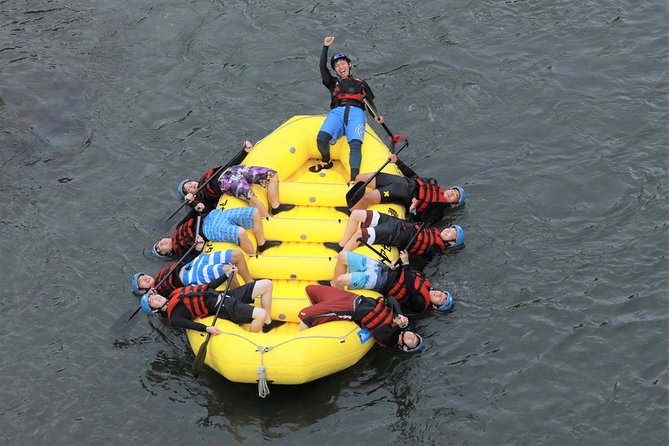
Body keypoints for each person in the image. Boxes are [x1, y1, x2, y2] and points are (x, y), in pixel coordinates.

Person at [311, 36, 384, 182]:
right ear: (335, 70)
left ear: (349, 65)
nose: (340, 67)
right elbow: (322, 67)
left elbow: (369, 102)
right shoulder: (332, 82)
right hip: (338, 112)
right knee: (321, 139)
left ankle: (354, 179)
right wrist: (325, 47)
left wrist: (376, 116)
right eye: (337, 66)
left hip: (356, 113)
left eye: (343, 64)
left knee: (355, 145)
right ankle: (326, 161)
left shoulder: (361, 83)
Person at [180, 140, 294, 218]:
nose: (190, 185)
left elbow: (227, 166)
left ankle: (276, 206)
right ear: (190, 194)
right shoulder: (201, 196)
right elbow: (205, 209)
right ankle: (268, 219)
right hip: (226, 182)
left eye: (189, 183)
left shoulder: (205, 178)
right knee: (251, 196)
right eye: (188, 188)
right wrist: (192, 201)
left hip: (235, 170)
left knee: (272, 174)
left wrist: (245, 152)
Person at [139, 273, 284, 333]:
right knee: (261, 313)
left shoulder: (175, 293)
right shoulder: (175, 317)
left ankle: (268, 323)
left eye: (152, 296)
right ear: (155, 311)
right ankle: (252, 342)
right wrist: (207, 329)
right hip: (225, 308)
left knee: (266, 284)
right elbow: (191, 325)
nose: (154, 298)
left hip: (227, 295)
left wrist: (225, 275)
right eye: (152, 302)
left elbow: (206, 288)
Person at [298, 285, 423, 352]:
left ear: (405, 347)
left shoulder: (390, 340)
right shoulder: (398, 320)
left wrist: (398, 325)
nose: (413, 338)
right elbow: (391, 299)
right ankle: (319, 319)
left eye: (413, 343)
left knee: (305, 315)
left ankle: (302, 344)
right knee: (310, 289)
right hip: (353, 297)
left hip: (350, 309)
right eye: (415, 337)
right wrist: (399, 314)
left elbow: (380, 333)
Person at [330, 250, 454, 314]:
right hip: (383, 268)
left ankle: (333, 299)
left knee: (342, 280)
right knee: (342, 256)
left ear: (434, 306)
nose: (439, 294)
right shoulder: (424, 280)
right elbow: (408, 272)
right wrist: (398, 265)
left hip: (380, 282)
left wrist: (405, 264)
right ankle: (332, 286)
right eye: (442, 293)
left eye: (441, 299)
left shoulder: (420, 305)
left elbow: (410, 289)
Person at [350, 152, 466, 218]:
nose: (451, 193)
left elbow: (419, 222)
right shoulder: (433, 183)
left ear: (453, 205)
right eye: (453, 190)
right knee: (359, 179)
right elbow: (414, 177)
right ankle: (351, 201)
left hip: (402, 193)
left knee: (366, 198)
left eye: (454, 196)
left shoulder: (438, 212)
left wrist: (412, 209)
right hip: (399, 181)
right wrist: (397, 161)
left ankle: (350, 213)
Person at [324, 209, 464, 259]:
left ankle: (340, 257)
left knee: (360, 234)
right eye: (451, 228)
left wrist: (406, 263)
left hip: (396, 235)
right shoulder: (432, 230)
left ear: (451, 242)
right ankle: (341, 244)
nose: (448, 230)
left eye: (453, 234)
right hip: (396, 222)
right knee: (356, 214)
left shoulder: (436, 250)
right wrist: (413, 211)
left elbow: (427, 265)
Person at [151, 207, 280, 257]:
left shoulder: (178, 227)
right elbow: (194, 258)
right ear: (167, 253)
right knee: (240, 233)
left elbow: (193, 213)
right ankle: (254, 256)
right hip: (208, 230)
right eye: (159, 249)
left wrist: (197, 206)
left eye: (159, 243)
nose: (161, 244)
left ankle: (262, 243)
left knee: (254, 212)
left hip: (213, 215)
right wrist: (199, 248)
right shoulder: (180, 253)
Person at [132, 246, 253, 297]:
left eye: (142, 276)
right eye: (141, 282)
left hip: (195, 263)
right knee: (227, 270)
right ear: (143, 290)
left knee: (237, 255)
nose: (144, 278)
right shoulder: (156, 293)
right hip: (191, 277)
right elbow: (163, 308)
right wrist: (154, 294)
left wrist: (197, 251)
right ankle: (241, 295)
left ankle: (250, 283)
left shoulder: (159, 275)